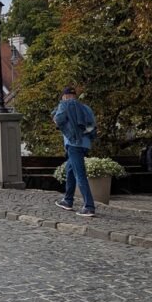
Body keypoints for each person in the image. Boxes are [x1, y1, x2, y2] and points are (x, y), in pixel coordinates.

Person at [53, 87, 98, 217]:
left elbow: (58, 120)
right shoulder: (86, 108)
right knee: (70, 170)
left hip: (73, 144)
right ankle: (67, 200)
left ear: (65, 97)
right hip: (85, 144)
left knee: (80, 175)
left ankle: (89, 206)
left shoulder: (64, 105)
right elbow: (92, 126)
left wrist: (56, 116)